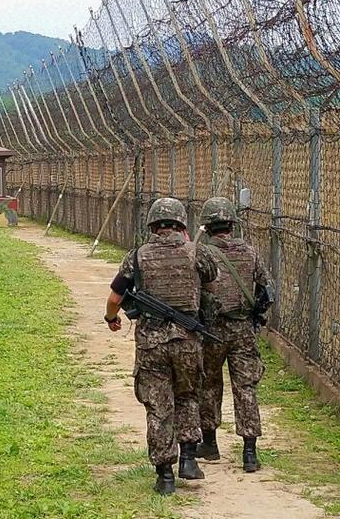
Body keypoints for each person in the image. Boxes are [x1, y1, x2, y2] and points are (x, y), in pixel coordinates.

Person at [103, 197, 219, 495]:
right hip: (188, 342)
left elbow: (116, 297)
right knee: (188, 396)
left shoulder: (138, 256)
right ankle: (190, 460)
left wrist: (111, 318)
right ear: (182, 224)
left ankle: (165, 475)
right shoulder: (197, 252)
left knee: (158, 406)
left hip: (152, 345)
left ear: (152, 225)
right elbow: (212, 280)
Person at [195, 196, 273, 473]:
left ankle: (210, 444)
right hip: (243, 330)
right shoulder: (250, 252)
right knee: (246, 388)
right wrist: (255, 316)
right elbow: (267, 290)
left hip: (212, 331)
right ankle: (249, 453)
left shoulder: (202, 253)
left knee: (208, 385)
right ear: (232, 224)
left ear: (207, 225)